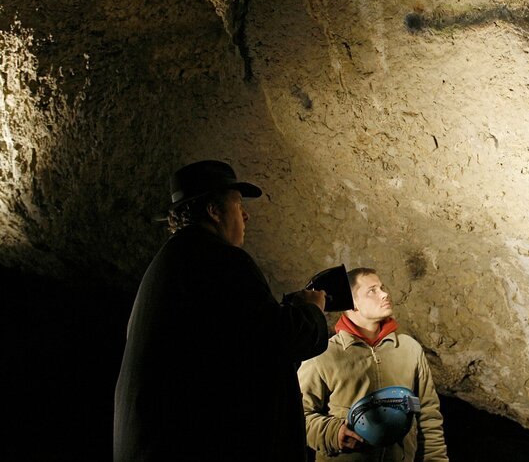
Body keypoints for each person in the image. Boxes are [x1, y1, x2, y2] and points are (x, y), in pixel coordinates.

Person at [114, 160, 328, 461]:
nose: (246, 215)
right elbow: (275, 340)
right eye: (237, 204)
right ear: (214, 211)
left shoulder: (169, 264)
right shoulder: (219, 260)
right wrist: (311, 311)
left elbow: (232, 347)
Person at [298, 267, 449, 461]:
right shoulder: (323, 354)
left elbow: (428, 415)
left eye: (382, 287)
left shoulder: (409, 350)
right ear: (352, 304)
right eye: (372, 291)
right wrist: (333, 433)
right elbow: (298, 415)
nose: (385, 294)